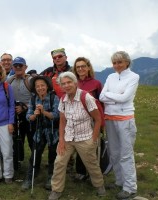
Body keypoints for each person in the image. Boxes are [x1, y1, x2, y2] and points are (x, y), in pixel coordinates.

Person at [48, 72, 105, 200]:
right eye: (63, 84)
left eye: (69, 82)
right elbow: (62, 121)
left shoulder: (86, 97)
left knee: (91, 163)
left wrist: (93, 139)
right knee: (59, 163)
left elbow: (98, 119)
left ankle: (99, 185)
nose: (67, 86)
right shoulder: (63, 99)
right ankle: (56, 189)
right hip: (68, 137)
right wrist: (61, 140)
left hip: (85, 137)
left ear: (75, 83)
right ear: (61, 86)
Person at [99, 51, 139, 200]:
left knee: (126, 154)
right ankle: (119, 181)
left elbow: (125, 98)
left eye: (120, 62)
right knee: (114, 152)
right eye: (114, 63)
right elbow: (102, 96)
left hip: (125, 119)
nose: (117, 65)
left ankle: (130, 187)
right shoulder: (110, 77)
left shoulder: (134, 77)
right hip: (110, 118)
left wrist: (112, 96)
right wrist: (117, 98)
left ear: (127, 62)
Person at [22, 76, 59, 191]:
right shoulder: (33, 99)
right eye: (37, 86)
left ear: (47, 86)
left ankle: (50, 178)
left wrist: (44, 112)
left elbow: (56, 115)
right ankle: (30, 177)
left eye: (42, 85)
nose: (40, 88)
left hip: (52, 131)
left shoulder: (54, 98)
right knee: (35, 154)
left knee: (53, 155)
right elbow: (28, 116)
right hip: (38, 130)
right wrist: (34, 115)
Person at [72, 57, 103, 181]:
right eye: (78, 67)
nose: (81, 69)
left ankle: (93, 174)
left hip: (93, 121)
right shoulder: (73, 83)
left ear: (88, 67)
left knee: (92, 147)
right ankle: (80, 172)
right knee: (80, 145)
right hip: (77, 120)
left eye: (83, 66)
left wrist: (101, 122)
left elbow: (101, 103)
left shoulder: (96, 84)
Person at [6, 56, 34, 171]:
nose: (18, 67)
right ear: (12, 67)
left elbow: (37, 98)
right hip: (16, 115)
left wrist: (25, 107)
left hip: (30, 114)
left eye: (20, 65)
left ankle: (34, 164)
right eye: (15, 65)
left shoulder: (30, 80)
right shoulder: (9, 80)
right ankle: (17, 163)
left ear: (25, 67)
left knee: (32, 140)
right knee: (17, 140)